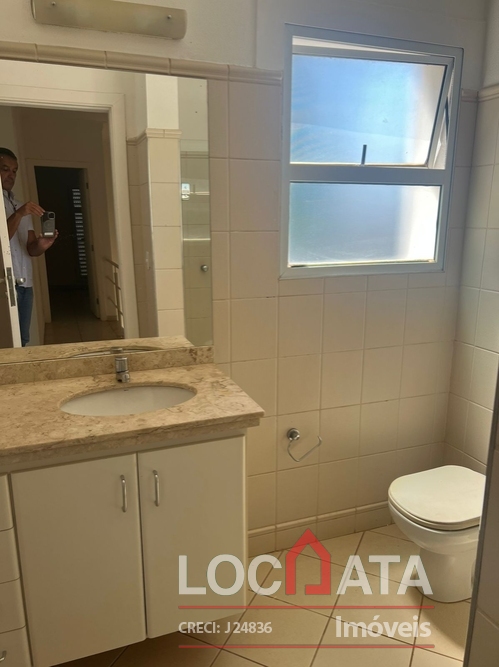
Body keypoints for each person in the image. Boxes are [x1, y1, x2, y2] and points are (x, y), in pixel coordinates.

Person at [0, 147, 57, 346]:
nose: (11, 175)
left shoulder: (19, 205)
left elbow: (31, 249)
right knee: (7, 342)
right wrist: (19, 214)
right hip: (6, 285)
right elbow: (1, 239)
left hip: (26, 284)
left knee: (23, 340)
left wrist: (43, 244)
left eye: (14, 171)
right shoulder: (19, 210)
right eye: (5, 169)